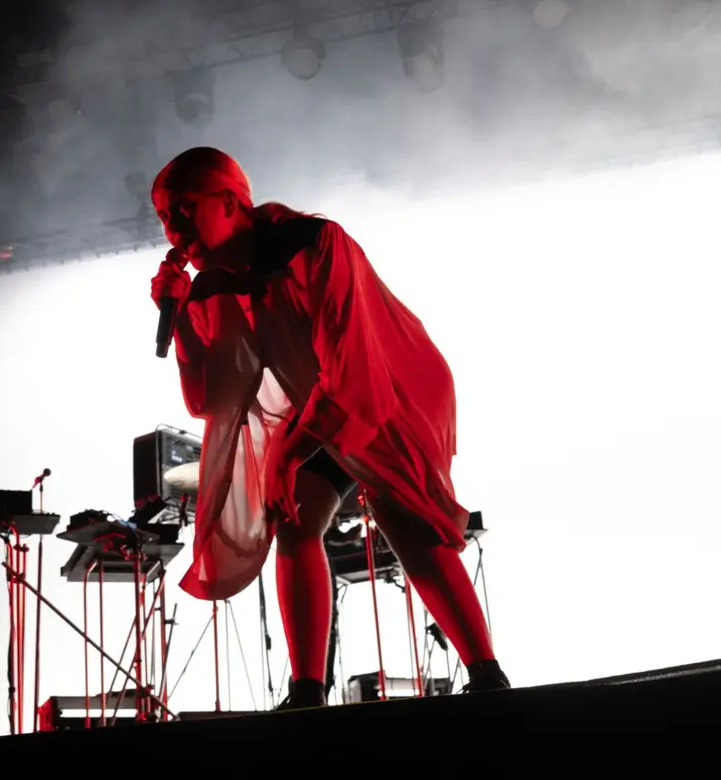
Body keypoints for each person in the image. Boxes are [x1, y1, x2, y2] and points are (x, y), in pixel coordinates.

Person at [149, 147, 508, 709]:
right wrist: (180, 314)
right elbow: (208, 397)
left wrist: (290, 455)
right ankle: (308, 692)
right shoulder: (212, 284)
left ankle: (488, 676)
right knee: (297, 523)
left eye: (182, 209)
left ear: (227, 200)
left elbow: (355, 375)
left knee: (400, 513)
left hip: (394, 384)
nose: (173, 228)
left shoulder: (315, 242)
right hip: (318, 398)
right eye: (164, 218)